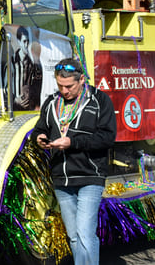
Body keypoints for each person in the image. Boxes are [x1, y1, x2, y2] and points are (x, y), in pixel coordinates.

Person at [33, 58, 116, 265]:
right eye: (60, 85)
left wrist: (73, 142)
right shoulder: (52, 102)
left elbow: (107, 137)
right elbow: (41, 127)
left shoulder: (99, 100)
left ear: (81, 80)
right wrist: (40, 138)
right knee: (74, 236)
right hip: (61, 177)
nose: (65, 91)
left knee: (85, 233)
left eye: (69, 86)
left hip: (90, 175)